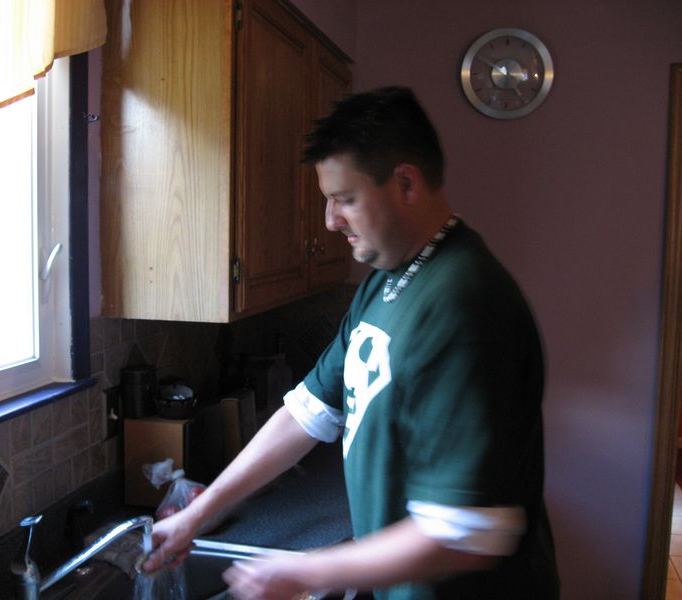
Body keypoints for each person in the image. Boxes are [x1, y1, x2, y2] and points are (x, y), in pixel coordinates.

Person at [142, 86, 559, 599]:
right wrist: (199, 514)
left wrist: (306, 572)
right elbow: (308, 411)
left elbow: (466, 533)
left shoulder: (465, 303)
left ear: (405, 183)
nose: (329, 220)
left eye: (345, 199)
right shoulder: (387, 280)